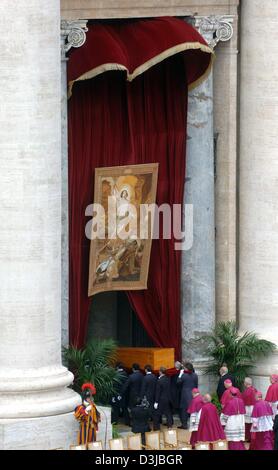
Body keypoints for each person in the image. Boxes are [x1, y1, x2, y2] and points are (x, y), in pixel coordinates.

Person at [177, 362, 198, 429]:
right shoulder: (195, 375)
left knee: (184, 410)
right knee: (193, 410)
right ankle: (194, 424)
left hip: (185, 395)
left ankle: (184, 425)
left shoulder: (184, 375)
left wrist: (180, 374)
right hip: (193, 394)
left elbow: (178, 382)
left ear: (186, 368)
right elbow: (196, 385)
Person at [153, 366, 173, 431]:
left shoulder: (159, 381)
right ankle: (169, 426)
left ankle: (157, 428)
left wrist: (156, 402)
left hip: (161, 399)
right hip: (168, 398)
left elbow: (158, 392)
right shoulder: (168, 379)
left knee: (157, 414)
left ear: (160, 372)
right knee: (168, 413)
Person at [241, 377, 257, 442]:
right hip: (254, 408)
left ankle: (248, 437)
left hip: (248, 409)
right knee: (252, 423)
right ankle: (253, 437)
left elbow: (243, 400)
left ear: (246, 383)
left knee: (248, 424)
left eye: (244, 382)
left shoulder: (247, 391)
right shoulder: (255, 389)